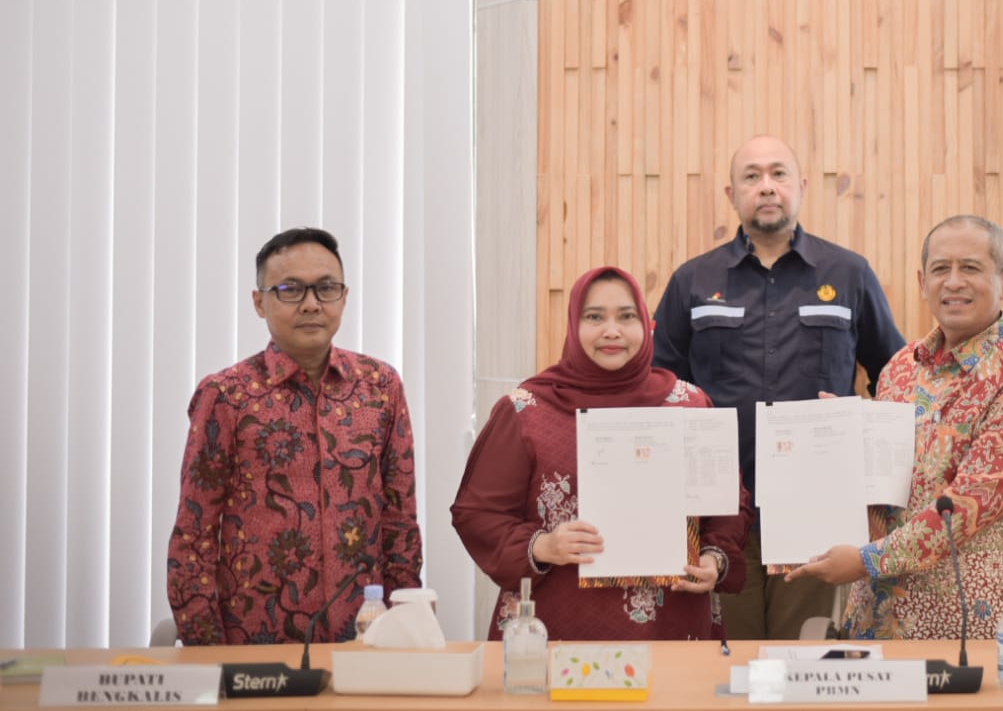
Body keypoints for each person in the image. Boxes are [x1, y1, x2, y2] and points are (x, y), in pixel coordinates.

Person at [653, 135, 905, 640]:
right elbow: (659, 386)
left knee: (807, 658)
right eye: (751, 177)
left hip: (818, 509)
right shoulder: (693, 281)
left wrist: (859, 420)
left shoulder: (849, 274)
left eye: (778, 174)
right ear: (732, 194)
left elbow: (899, 378)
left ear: (801, 187)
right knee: (729, 660)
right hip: (721, 512)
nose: (766, 187)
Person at [786, 215, 1003, 639]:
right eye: (940, 269)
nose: (953, 282)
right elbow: (886, 486)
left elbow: (965, 507)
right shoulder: (900, 367)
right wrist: (843, 436)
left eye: (970, 268)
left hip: (976, 630)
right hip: (878, 622)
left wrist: (864, 561)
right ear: (922, 282)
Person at [453, 266, 751, 640]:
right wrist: (543, 545)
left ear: (646, 324)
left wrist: (713, 559)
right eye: (594, 317)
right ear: (573, 327)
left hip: (671, 621)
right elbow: (477, 513)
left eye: (626, 317)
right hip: (557, 622)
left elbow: (728, 508)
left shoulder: (690, 405)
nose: (612, 331)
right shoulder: (526, 410)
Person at [166, 227, 421, 645]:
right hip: (253, 644)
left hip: (363, 639)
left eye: (326, 289)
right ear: (258, 302)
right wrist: (208, 657)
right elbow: (194, 536)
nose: (310, 305)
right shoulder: (226, 396)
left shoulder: (381, 386)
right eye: (290, 289)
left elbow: (400, 524)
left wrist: (407, 629)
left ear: (344, 296)